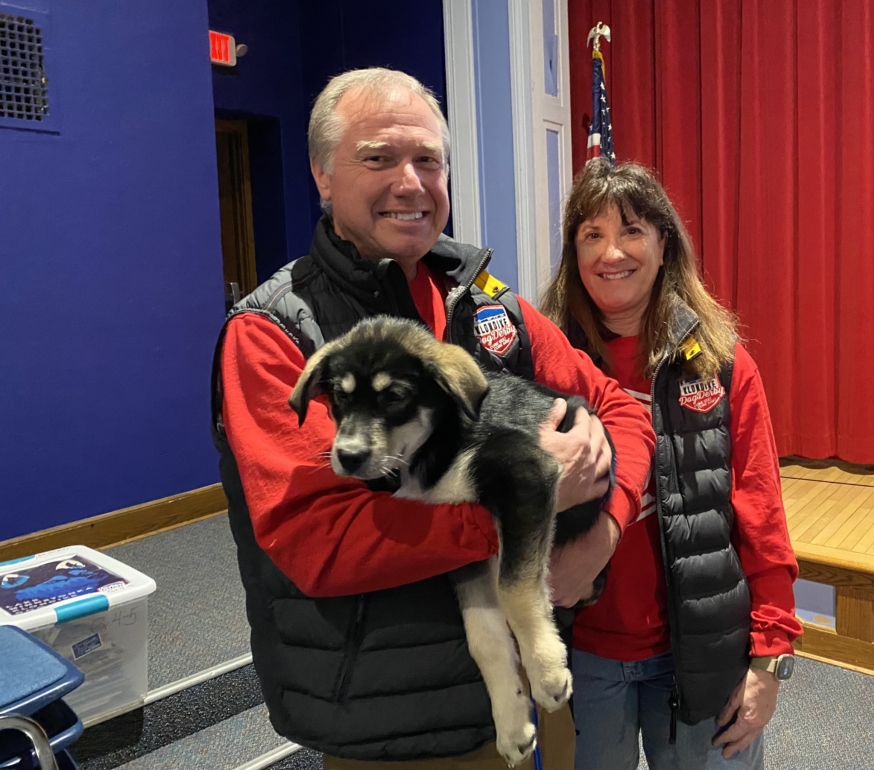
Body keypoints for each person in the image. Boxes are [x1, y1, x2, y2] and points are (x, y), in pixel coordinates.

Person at [210, 68, 656, 770]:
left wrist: (602, 527)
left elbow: (620, 408)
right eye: (379, 158)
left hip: (541, 691)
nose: (411, 182)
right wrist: (521, 502)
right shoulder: (274, 333)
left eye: (429, 160)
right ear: (323, 176)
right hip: (399, 721)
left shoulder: (488, 301)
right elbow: (317, 542)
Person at [541, 157, 802, 770]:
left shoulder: (721, 363)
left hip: (701, 653)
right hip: (579, 654)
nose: (612, 253)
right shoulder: (543, 363)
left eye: (632, 230)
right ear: (573, 253)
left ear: (664, 244)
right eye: (592, 235)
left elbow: (762, 515)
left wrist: (769, 658)